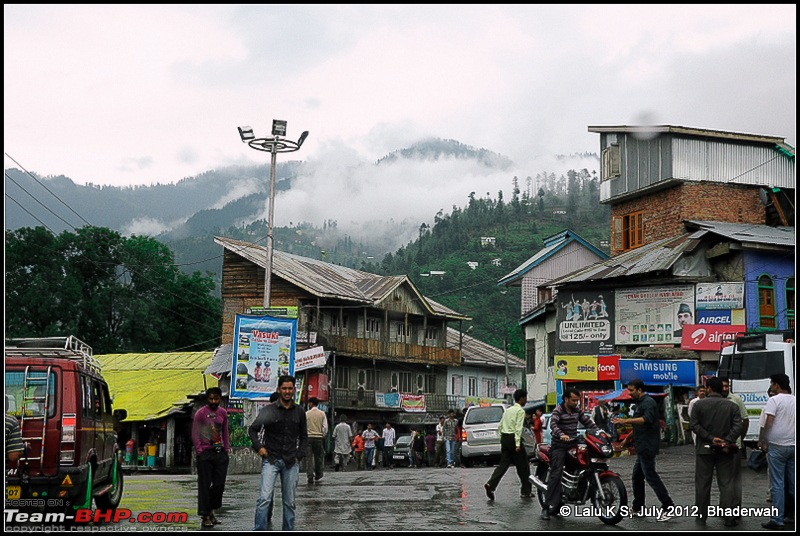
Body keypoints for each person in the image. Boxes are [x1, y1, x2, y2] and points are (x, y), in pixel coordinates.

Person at [249, 375, 308, 531]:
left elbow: (304, 436)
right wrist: (259, 447)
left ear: (294, 390)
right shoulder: (268, 411)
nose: (287, 391)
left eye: (290, 388)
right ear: (279, 389)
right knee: (264, 499)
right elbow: (253, 429)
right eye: (284, 388)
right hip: (271, 460)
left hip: (291, 461)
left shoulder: (300, 412)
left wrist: (299, 455)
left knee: (289, 502)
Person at [612, 379, 675, 521]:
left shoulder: (648, 403)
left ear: (640, 390)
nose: (629, 393)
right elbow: (637, 427)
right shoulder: (639, 404)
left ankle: (668, 506)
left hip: (648, 446)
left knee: (651, 476)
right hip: (641, 446)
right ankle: (638, 507)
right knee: (637, 477)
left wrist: (624, 421)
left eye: (632, 390)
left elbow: (645, 420)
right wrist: (626, 440)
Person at [690, 376, 742, 527]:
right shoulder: (732, 406)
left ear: (709, 389)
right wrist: (726, 441)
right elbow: (738, 426)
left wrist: (711, 438)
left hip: (704, 449)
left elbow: (694, 425)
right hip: (725, 450)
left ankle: (701, 515)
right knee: (726, 483)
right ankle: (729, 517)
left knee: (702, 484)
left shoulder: (699, 405)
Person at [541, 388, 596, 519]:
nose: (576, 403)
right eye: (573, 400)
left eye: (577, 400)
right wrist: (562, 435)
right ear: (566, 399)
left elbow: (588, 423)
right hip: (559, 446)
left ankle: (576, 491)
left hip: (573, 444)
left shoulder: (578, 411)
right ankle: (546, 507)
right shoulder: (558, 410)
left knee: (585, 465)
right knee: (556, 474)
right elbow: (553, 425)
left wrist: (600, 432)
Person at [759, 373, 795, 530]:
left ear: (777, 385)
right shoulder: (795, 400)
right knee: (793, 484)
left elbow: (769, 422)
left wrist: (764, 440)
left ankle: (777, 519)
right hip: (794, 446)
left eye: (772, 383)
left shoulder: (774, 400)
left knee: (778, 484)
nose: (772, 386)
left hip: (777, 446)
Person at [191, 387, 230, 528]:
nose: (213, 401)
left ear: (220, 399)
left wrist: (226, 449)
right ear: (207, 399)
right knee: (204, 486)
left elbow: (225, 432)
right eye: (211, 399)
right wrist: (200, 451)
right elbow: (195, 433)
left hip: (220, 454)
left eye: (216, 399)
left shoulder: (223, 413)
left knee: (219, 485)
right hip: (205, 454)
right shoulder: (200, 414)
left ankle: (211, 510)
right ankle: (205, 515)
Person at [484, 389, 533, 502]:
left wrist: (502, 439)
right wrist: (517, 444)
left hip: (505, 438)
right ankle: (526, 491)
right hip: (513, 438)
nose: (526, 400)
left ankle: (491, 484)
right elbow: (518, 428)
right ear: (521, 399)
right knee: (523, 466)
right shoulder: (520, 411)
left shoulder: (508, 410)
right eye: (525, 398)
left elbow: (500, 426)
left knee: (503, 464)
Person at [720, 377, 749, 514]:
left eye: (727, 386)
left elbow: (745, 420)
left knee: (735, 478)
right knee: (723, 478)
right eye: (723, 386)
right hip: (719, 445)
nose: (725, 389)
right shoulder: (717, 400)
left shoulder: (736, 400)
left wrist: (740, 439)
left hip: (734, 445)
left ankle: (735, 507)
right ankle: (724, 505)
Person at [305, 397, 328, 485]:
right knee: (318, 457)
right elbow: (325, 427)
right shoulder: (322, 414)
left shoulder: (306, 414)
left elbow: (303, 426)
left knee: (309, 458)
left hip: (309, 437)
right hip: (318, 437)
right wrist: (323, 435)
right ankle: (318, 474)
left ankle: (310, 476)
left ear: (311, 403)